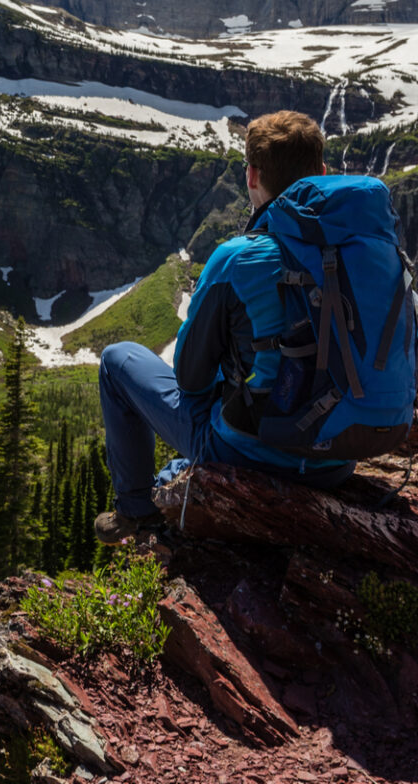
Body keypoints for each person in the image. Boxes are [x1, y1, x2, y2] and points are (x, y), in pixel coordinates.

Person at [95, 110, 354, 544]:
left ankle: (136, 511)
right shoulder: (363, 251)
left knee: (116, 360)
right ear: (323, 174)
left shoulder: (238, 257)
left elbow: (189, 380)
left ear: (252, 176)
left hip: (251, 454)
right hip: (340, 459)